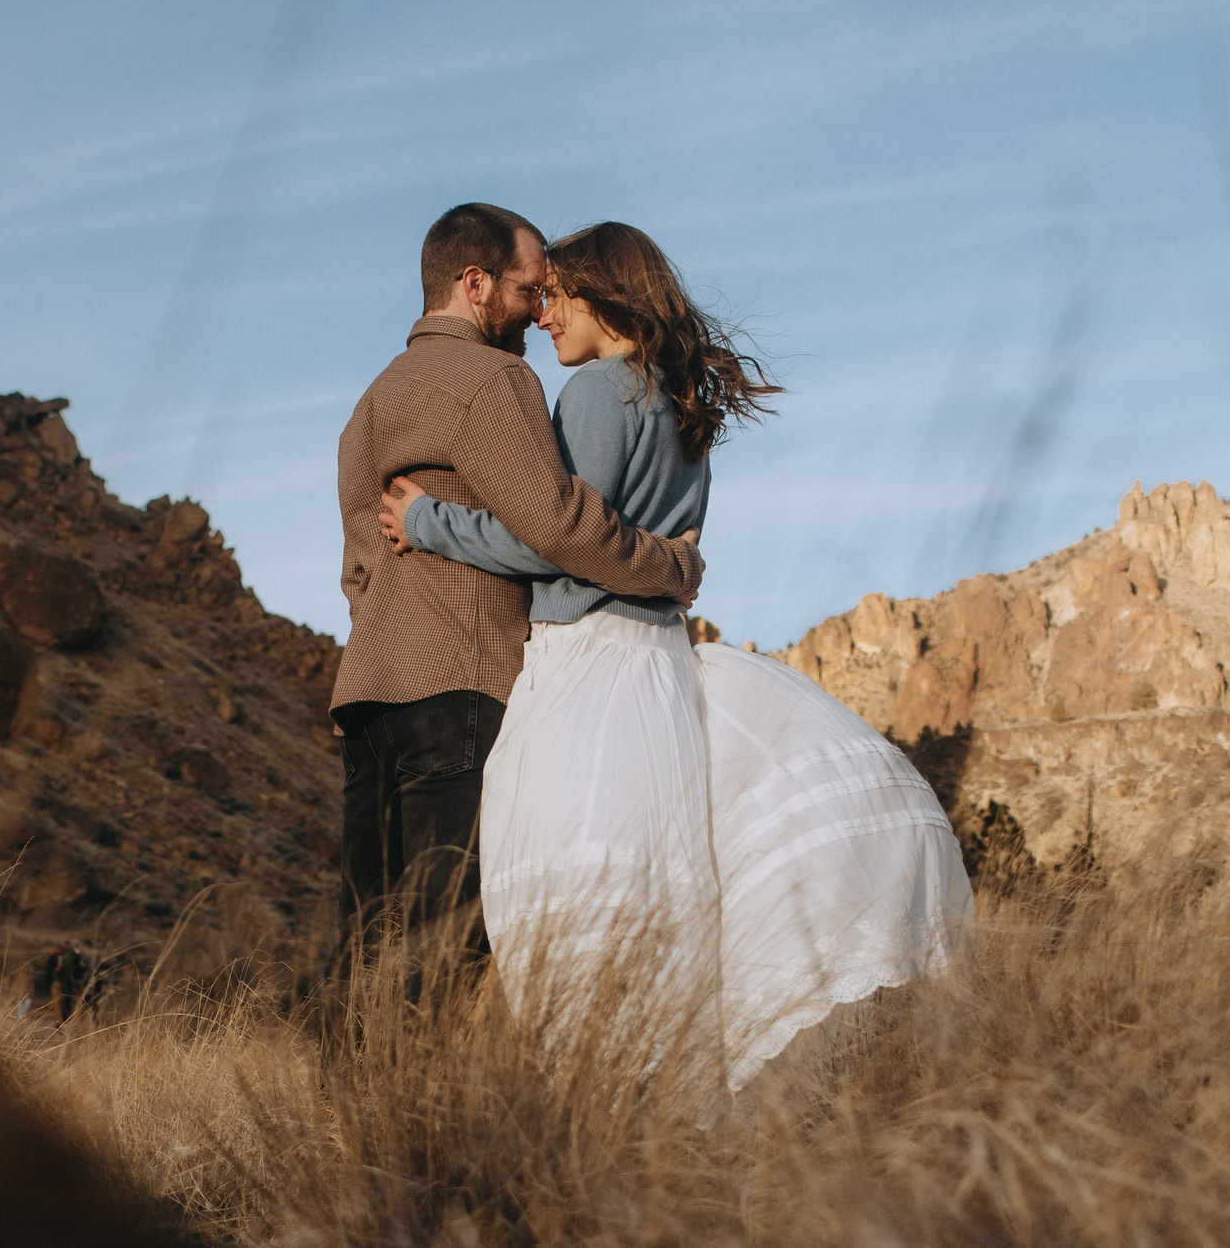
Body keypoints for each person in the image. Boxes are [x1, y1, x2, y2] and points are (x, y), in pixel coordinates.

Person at [380, 221, 972, 1085]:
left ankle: (610, 1087)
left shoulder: (594, 395)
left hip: (592, 658)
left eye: (558, 296)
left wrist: (428, 521)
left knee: (580, 869)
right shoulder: (678, 401)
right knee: (667, 866)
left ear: (601, 296)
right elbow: (639, 539)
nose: (544, 316)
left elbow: (555, 538)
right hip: (660, 655)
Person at [332, 204, 705, 961]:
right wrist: (673, 565)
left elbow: (357, 567)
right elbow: (563, 529)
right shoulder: (499, 379)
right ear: (475, 283)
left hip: (369, 692)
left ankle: (360, 1081)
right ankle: (453, 1084)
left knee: (367, 942)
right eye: (529, 290)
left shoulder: (369, 402)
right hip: (463, 686)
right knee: (455, 939)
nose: (538, 313)